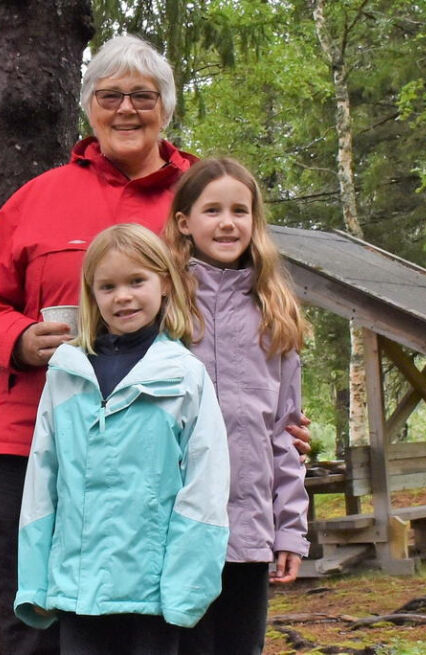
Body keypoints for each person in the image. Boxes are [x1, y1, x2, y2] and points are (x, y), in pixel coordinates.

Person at [0, 34, 309, 654]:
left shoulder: (202, 196)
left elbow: (249, 319)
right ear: (89, 106)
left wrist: (274, 420)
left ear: (166, 107)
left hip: (161, 453)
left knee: (164, 624)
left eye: (143, 95)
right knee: (40, 622)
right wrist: (22, 339)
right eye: (109, 95)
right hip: (37, 437)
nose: (126, 109)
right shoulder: (38, 198)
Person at [14, 223, 230, 655]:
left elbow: (206, 484)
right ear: (92, 295)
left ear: (164, 283)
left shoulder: (184, 376)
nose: (123, 296)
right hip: (79, 591)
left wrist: (186, 586)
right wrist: (35, 581)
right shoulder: (67, 373)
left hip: (151, 593)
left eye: (137, 281)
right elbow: (42, 478)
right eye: (107, 286)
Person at [162, 157, 311, 655]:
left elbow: (283, 435)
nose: (227, 223)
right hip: (174, 530)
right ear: (184, 222)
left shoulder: (274, 313)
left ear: (254, 221)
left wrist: (289, 530)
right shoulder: (162, 307)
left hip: (248, 532)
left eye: (240, 211)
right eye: (212, 210)